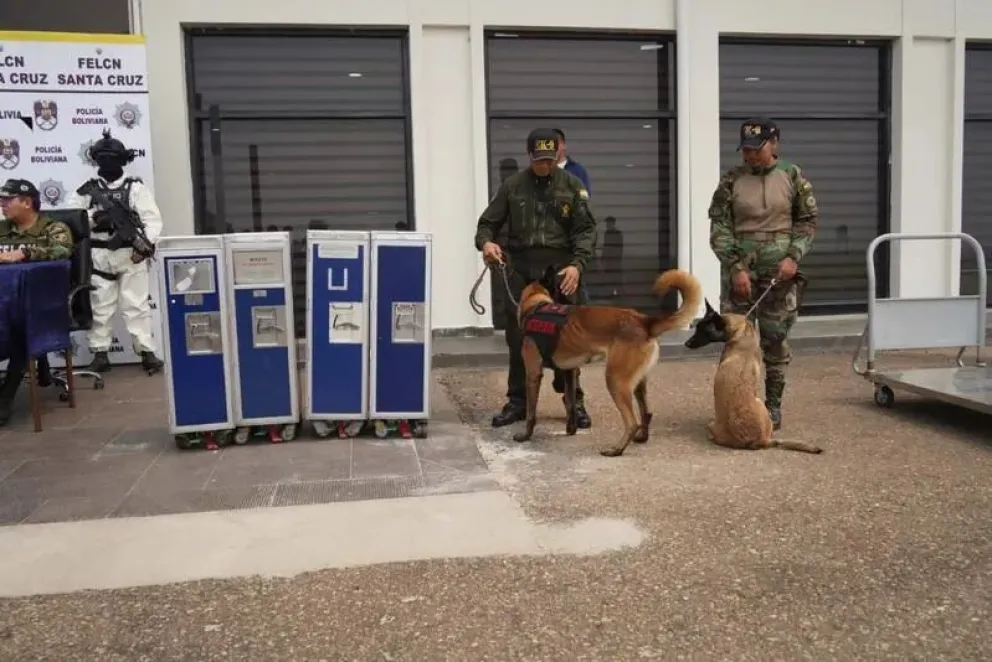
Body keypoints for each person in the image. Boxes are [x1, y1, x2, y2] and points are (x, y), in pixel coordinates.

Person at [475, 128, 597, 429]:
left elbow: (586, 231)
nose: (545, 165)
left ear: (558, 154)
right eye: (539, 160)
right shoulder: (512, 186)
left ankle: (573, 401)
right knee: (519, 338)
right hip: (522, 270)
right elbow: (487, 223)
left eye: (550, 159)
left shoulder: (573, 185)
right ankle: (517, 403)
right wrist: (486, 243)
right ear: (529, 156)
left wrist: (577, 266)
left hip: (561, 270)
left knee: (568, 337)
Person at [708, 117, 819, 431]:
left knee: (775, 339)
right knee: (734, 343)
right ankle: (733, 403)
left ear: (774, 144)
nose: (750, 155)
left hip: (779, 274)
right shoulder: (731, 180)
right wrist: (734, 267)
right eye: (745, 150)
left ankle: (772, 406)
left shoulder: (792, 176)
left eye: (757, 149)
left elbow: (807, 222)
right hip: (739, 274)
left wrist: (793, 256)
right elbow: (719, 227)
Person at [64, 129, 164, 374]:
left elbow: (152, 221)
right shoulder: (87, 190)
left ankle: (147, 352)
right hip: (99, 255)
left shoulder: (136, 188)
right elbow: (71, 219)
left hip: (131, 254)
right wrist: (95, 218)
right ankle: (100, 353)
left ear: (122, 159)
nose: (107, 162)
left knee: (137, 305)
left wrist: (145, 245)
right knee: (100, 305)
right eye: (102, 157)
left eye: (112, 157)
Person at [0, 178, 73, 425]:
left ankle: (5, 400)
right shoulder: (2, 229)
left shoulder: (53, 228)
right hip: (4, 305)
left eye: (8, 200)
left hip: (43, 307)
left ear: (27, 202)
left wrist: (26, 253)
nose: (3, 204)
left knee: (21, 333)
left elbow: (63, 251)